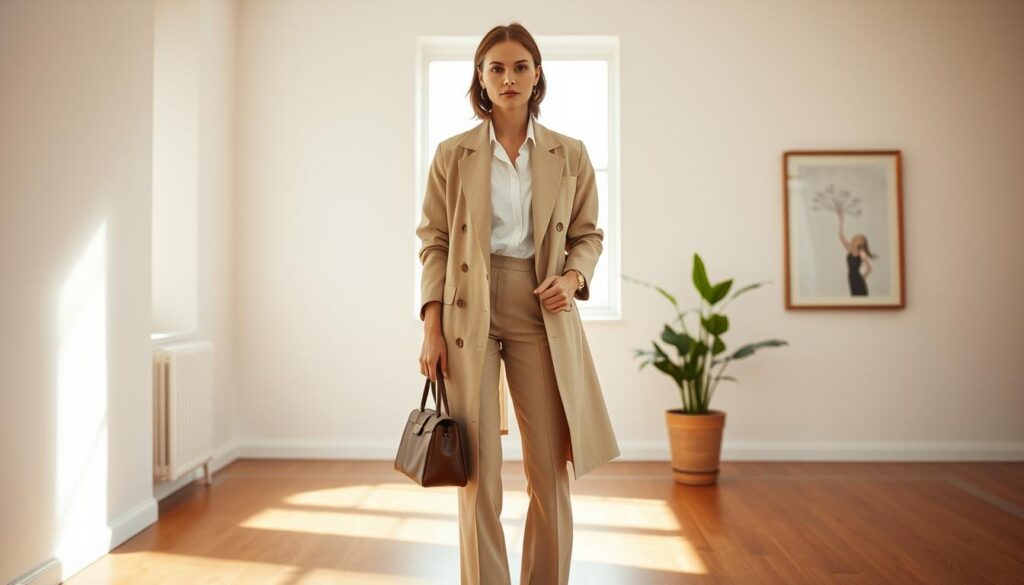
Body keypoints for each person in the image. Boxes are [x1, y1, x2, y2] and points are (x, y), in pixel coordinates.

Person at [415, 22, 620, 585]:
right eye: (496, 68)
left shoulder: (569, 153)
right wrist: (431, 327)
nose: (509, 78)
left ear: (537, 75)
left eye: (520, 67)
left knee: (550, 469)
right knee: (476, 469)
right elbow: (433, 241)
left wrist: (575, 275)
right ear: (480, 78)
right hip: (466, 311)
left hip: (541, 307)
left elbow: (589, 234)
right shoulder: (451, 154)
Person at [836, 208, 877, 296]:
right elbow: (841, 236)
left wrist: (862, 278)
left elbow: (869, 268)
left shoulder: (861, 253)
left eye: (857, 238)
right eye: (855, 237)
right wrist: (841, 219)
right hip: (851, 279)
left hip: (858, 281)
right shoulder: (850, 249)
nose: (854, 238)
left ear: (860, 242)